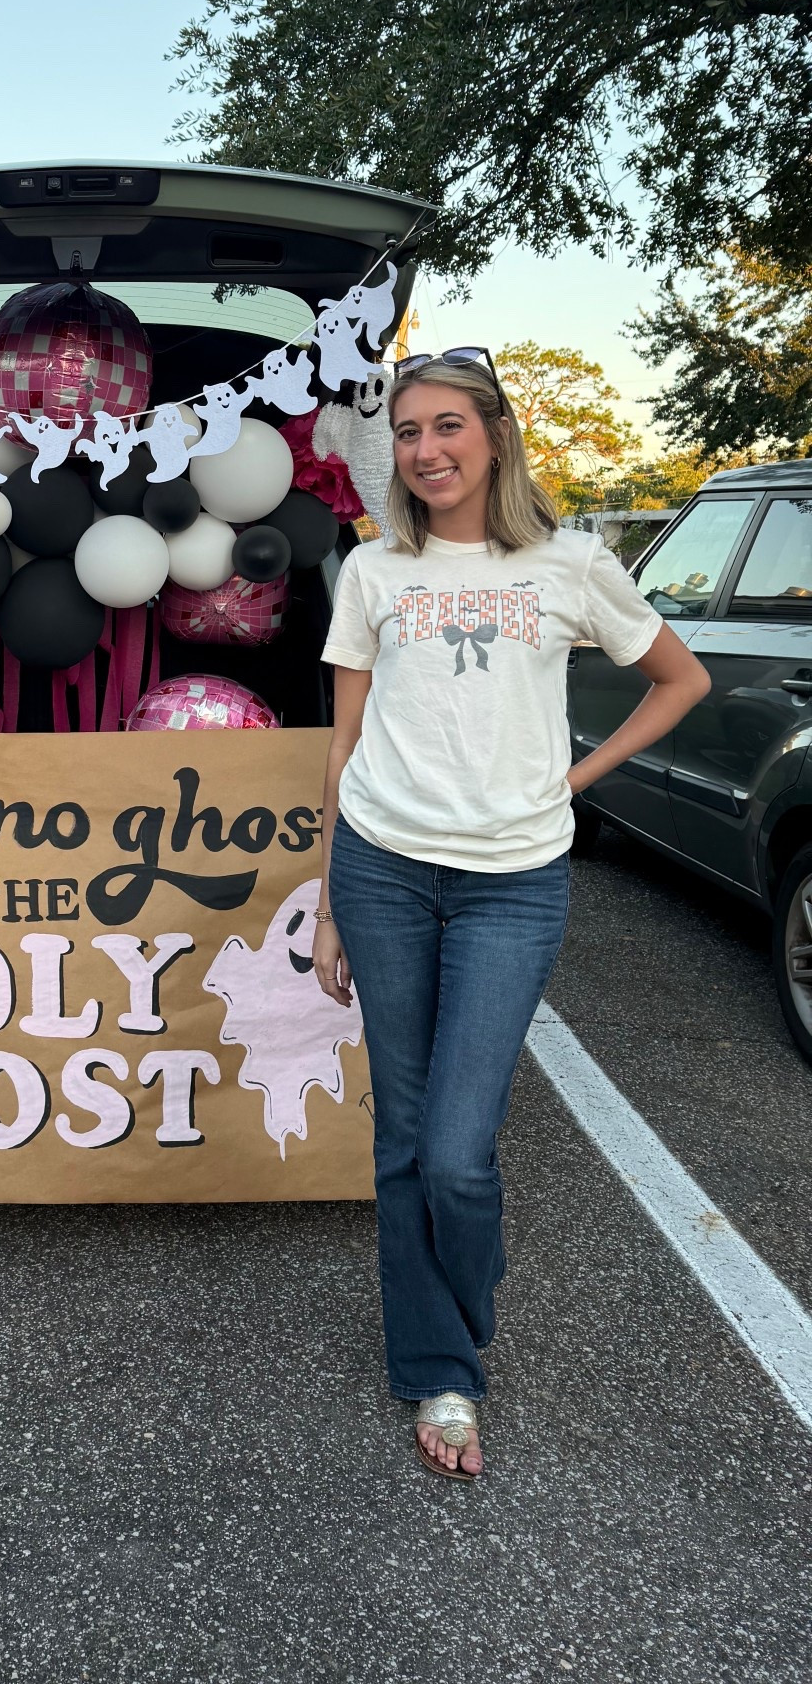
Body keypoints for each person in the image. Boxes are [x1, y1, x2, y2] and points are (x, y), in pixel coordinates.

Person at [313, 349, 708, 1480]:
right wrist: (329, 898)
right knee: (400, 1140)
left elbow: (678, 680)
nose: (426, 449)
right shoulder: (374, 570)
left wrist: (575, 781)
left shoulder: (570, 563)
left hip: (511, 880)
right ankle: (441, 1368)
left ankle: (459, 1299)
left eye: (448, 425)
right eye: (406, 431)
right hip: (384, 868)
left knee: (456, 1154)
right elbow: (341, 744)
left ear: (494, 432)